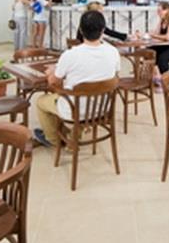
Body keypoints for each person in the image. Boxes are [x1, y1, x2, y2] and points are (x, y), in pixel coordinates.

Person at [32, 10, 120, 146]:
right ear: (103, 30)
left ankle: (54, 140)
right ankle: (72, 138)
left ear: (81, 30)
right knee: (81, 95)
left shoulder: (70, 55)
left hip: (74, 111)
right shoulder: (113, 52)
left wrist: (52, 72)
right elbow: (115, 75)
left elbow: (52, 82)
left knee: (41, 101)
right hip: (102, 109)